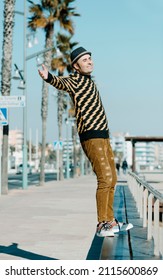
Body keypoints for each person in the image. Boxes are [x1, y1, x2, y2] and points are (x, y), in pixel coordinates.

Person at [38, 47, 120, 237]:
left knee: (112, 177)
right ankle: (102, 224)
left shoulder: (90, 82)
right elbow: (60, 82)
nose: (89, 61)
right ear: (76, 66)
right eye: (84, 60)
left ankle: (110, 220)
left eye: (90, 58)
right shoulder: (75, 80)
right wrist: (48, 77)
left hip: (103, 135)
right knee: (105, 177)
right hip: (91, 135)